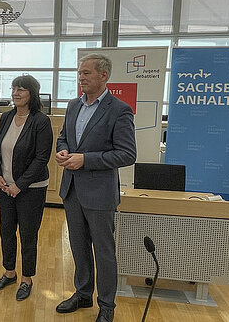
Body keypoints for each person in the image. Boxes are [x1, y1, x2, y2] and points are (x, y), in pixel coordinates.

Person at [55, 53, 136, 322]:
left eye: (87, 73)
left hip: (100, 194)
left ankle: (106, 306)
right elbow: (64, 137)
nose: (81, 77)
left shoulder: (119, 110)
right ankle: (82, 294)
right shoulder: (72, 106)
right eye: (80, 73)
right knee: (78, 247)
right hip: (72, 190)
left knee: (103, 252)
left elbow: (127, 154)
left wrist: (85, 159)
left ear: (104, 75)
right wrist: (63, 151)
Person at [0, 75, 53, 301]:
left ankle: (27, 278)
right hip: (5, 186)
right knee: (6, 230)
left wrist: (20, 185)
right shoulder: (6, 117)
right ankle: (9, 272)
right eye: (14, 89)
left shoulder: (40, 121)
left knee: (27, 234)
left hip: (32, 188)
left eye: (22, 89)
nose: (16, 93)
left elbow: (41, 158)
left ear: (32, 94)